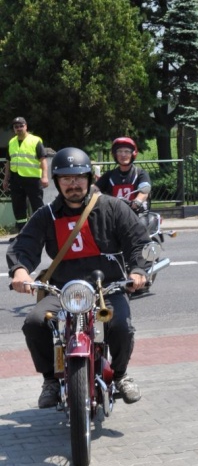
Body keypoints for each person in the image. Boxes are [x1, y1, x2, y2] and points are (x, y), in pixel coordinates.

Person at [7, 147, 151, 409]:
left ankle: (120, 375)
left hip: (107, 286)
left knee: (121, 327)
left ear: (90, 178)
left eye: (78, 178)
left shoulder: (113, 208)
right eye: (66, 179)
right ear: (57, 182)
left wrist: (138, 270)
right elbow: (23, 245)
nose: (73, 184)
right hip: (63, 289)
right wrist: (20, 270)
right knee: (34, 322)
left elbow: (137, 242)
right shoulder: (47, 215)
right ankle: (50, 379)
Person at [2, 116, 48, 234]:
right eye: (16, 127)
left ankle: (41, 231)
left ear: (26, 126)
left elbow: (43, 160)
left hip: (32, 178)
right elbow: (8, 162)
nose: (18, 128)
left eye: (21, 126)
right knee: (18, 206)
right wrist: (6, 179)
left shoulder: (35, 140)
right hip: (16, 178)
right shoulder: (11, 142)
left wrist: (45, 176)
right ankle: (22, 232)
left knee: (37, 205)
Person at [95, 137, 151, 209]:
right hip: (114, 214)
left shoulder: (140, 174)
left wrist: (137, 201)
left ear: (133, 154)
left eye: (127, 151)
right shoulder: (109, 175)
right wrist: (89, 191)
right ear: (115, 154)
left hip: (136, 213)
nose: (123, 155)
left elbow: (144, 192)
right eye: (119, 151)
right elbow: (95, 188)